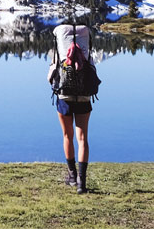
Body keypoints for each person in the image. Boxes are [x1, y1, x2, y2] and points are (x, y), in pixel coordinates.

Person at [47, 21, 95, 194]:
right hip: (84, 96)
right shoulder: (86, 49)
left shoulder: (59, 51)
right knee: (83, 138)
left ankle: (72, 176)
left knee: (68, 135)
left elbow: (50, 76)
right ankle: (82, 183)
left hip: (64, 96)